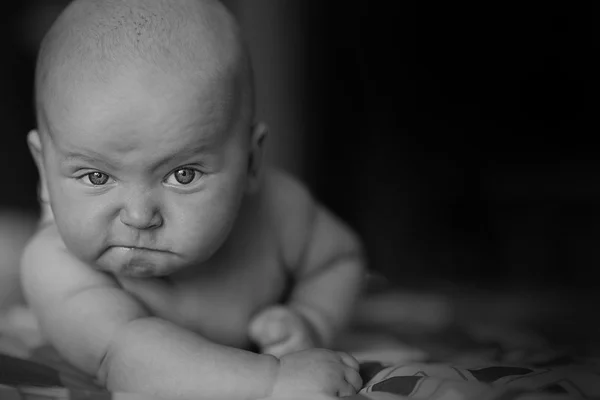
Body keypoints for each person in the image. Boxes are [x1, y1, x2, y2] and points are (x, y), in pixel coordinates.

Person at [21, 0, 365, 398]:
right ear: (44, 171)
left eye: (182, 175)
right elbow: (133, 358)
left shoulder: (278, 209)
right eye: (96, 176)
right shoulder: (57, 267)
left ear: (251, 161)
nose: (138, 215)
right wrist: (272, 382)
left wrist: (313, 319)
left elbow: (339, 260)